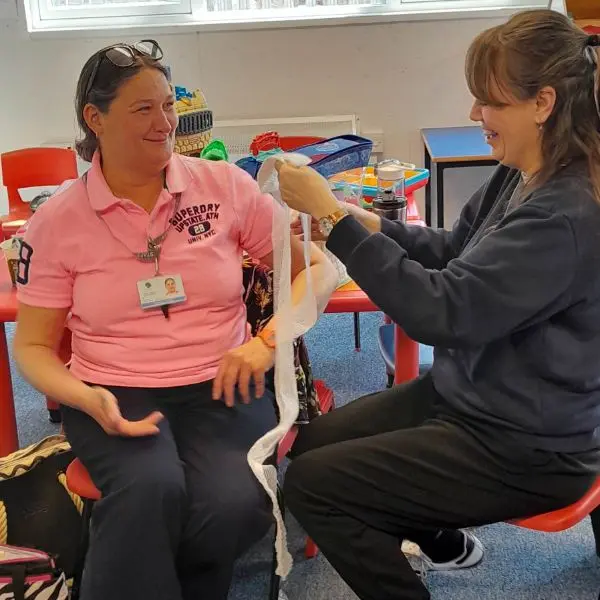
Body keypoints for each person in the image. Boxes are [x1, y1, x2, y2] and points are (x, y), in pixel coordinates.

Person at [276, 9, 600, 600]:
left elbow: (440, 311)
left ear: (543, 103)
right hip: (477, 397)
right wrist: (363, 221)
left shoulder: (565, 215)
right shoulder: (522, 172)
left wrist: (332, 218)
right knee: (315, 445)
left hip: (527, 443)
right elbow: (455, 252)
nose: (477, 114)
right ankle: (445, 541)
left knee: (314, 487)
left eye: (490, 101)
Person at [13, 40, 335, 600]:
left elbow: (318, 270)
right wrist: (83, 397)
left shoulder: (225, 187)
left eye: (168, 105)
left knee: (237, 503)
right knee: (148, 488)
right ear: (95, 118)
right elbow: (34, 346)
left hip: (225, 379)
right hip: (113, 389)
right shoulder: (58, 220)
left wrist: (265, 343)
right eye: (143, 109)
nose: (164, 122)